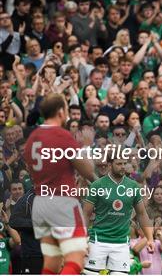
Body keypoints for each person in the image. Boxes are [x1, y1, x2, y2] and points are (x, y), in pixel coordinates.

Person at [23, 93, 97, 275]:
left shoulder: (32, 138)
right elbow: (88, 171)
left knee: (53, 262)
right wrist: (87, 146)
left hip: (40, 203)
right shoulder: (62, 136)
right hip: (62, 202)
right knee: (76, 260)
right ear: (61, 112)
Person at [82, 157, 155, 274]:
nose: (123, 166)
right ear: (110, 165)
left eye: (125, 163)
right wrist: (82, 239)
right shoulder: (98, 185)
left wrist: (150, 238)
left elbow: (142, 214)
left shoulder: (133, 186)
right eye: (119, 163)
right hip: (98, 240)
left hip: (121, 243)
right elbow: (86, 213)